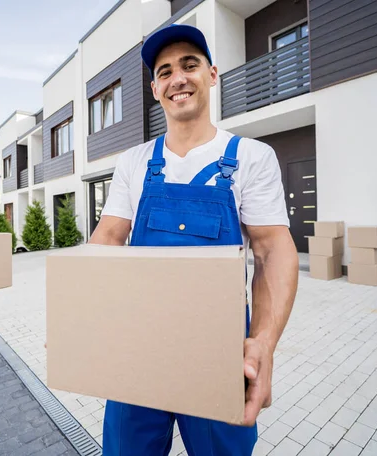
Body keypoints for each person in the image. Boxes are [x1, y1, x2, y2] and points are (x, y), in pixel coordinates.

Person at [89, 24, 299, 455]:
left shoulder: (251, 158)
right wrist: (81, 316)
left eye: (190, 65)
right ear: (154, 88)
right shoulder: (134, 162)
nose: (177, 79)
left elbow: (272, 250)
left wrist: (262, 343)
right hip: (138, 344)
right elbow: (108, 238)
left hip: (218, 350)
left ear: (212, 74)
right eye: (164, 72)